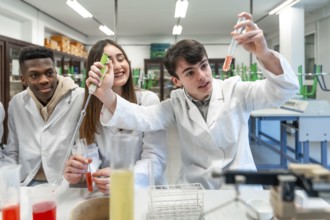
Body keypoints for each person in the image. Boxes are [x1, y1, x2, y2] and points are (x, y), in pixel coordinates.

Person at [86, 12, 300, 190]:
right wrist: (105, 94)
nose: (202, 76)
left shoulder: (236, 90)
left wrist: (263, 52)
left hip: (240, 188)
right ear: (176, 81)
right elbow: (143, 117)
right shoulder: (176, 104)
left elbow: (284, 90)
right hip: (196, 189)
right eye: (190, 72)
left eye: (204, 65)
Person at [63, 39, 167, 194]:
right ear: (95, 69)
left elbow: (155, 159)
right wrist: (80, 172)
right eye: (108, 62)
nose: (117, 66)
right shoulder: (88, 107)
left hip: (143, 190)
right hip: (105, 191)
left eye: (121, 58)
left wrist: (125, 178)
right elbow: (89, 155)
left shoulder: (148, 100)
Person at [0, 46, 85, 186]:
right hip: (27, 181)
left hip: (65, 183)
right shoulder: (17, 103)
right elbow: (12, 151)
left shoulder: (79, 98)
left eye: (49, 73)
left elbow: (86, 148)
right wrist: (7, 184)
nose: (44, 80)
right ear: (23, 79)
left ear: (55, 72)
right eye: (34, 75)